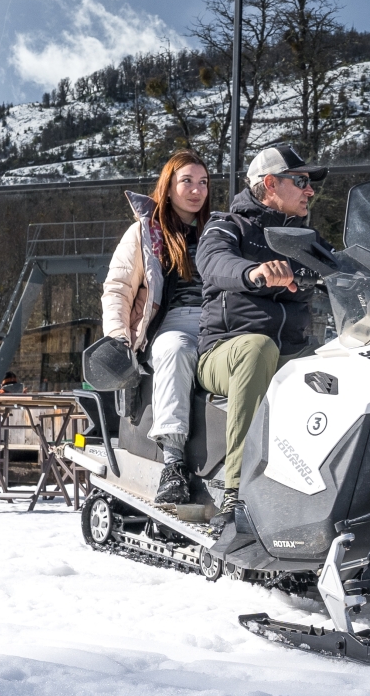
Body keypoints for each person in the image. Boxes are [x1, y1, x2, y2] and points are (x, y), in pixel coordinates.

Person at [196, 144, 332, 517]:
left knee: (344, 365)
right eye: (301, 181)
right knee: (258, 348)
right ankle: (236, 491)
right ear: (270, 183)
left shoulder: (307, 241)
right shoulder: (227, 226)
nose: (310, 191)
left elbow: (350, 268)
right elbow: (214, 262)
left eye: (310, 184)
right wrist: (252, 272)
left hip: (289, 352)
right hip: (224, 353)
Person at [101, 149, 212, 506]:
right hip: (172, 323)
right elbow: (118, 288)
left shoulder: (219, 231)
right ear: (168, 186)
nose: (196, 190)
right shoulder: (145, 234)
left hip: (219, 323)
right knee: (176, 351)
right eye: (187, 181)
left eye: (204, 182)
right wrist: (118, 339)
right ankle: (174, 465)